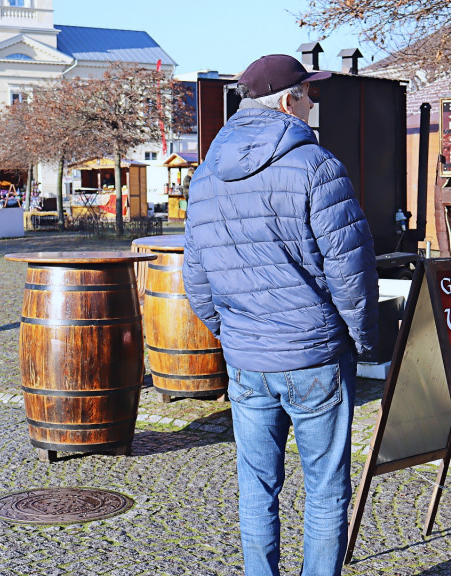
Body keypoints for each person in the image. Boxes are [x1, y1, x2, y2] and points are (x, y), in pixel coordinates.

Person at [183, 54, 379, 576]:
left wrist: (234, 335)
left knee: (257, 489)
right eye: (309, 95)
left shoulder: (204, 178)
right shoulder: (317, 167)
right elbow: (352, 272)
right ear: (288, 101)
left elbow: (197, 281)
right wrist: (364, 341)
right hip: (313, 355)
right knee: (325, 492)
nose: (314, 104)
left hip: (247, 360)